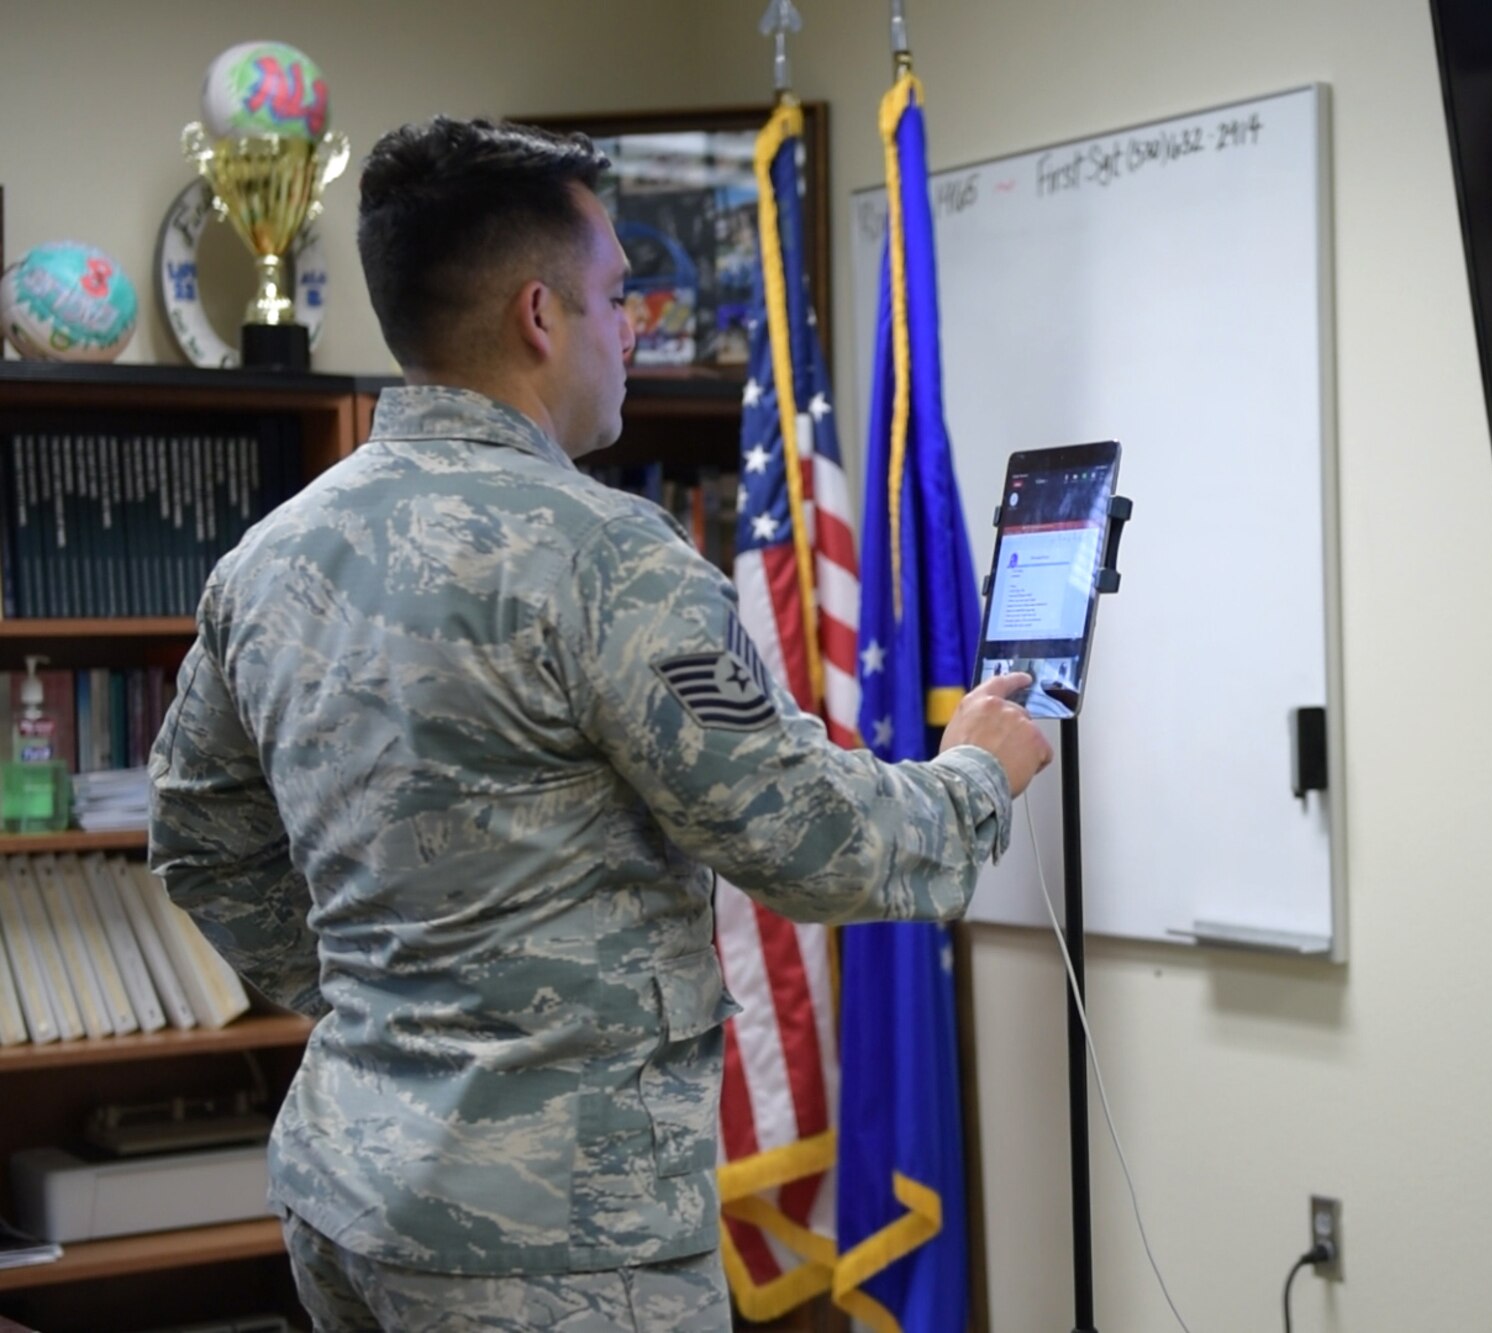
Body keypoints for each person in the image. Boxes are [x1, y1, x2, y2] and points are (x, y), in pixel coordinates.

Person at [148, 116, 1051, 1333]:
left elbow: (198, 834)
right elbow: (812, 842)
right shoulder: (605, 557)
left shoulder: (270, 557)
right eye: (619, 293)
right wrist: (975, 779)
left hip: (344, 1197)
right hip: (556, 1242)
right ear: (538, 315)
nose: (633, 328)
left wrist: (389, 1008)